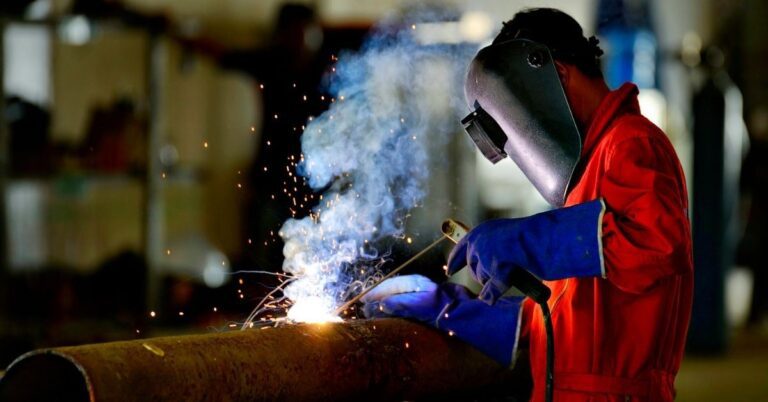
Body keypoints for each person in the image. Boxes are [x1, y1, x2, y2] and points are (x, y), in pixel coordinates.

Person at [363, 8, 692, 402]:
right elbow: (555, 323)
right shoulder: (588, 171)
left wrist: (524, 241)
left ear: (556, 74)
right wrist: (445, 307)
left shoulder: (630, 142)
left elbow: (657, 244)